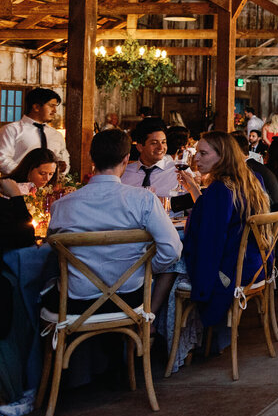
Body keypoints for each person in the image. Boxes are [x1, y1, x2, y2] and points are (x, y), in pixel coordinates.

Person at [45, 129, 182, 316]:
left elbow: (53, 248)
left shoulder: (61, 205)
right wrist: (143, 268)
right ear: (126, 159)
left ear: (90, 157)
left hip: (74, 301)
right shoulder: (144, 200)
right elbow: (172, 250)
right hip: (129, 298)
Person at [182, 131, 270, 326]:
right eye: (196, 152)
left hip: (231, 275)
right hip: (256, 265)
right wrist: (194, 190)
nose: (196, 158)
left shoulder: (219, 189)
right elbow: (217, 215)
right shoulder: (252, 179)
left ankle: (176, 345)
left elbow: (210, 241)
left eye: (203, 153)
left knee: (169, 273)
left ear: (222, 157)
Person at [122, 118, 199, 213]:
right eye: (154, 143)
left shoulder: (178, 171)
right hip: (131, 226)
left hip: (170, 225)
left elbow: (194, 207)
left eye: (163, 142)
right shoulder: (124, 172)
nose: (161, 147)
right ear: (140, 147)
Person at [0, 88, 69, 175]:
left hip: (51, 186)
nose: (55, 111)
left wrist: (61, 170)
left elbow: (64, 158)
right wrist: (26, 175)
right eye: (51, 106)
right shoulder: (11, 130)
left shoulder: (56, 135)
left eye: (55, 106)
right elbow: (2, 158)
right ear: (36, 107)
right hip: (17, 185)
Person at [231, 131, 278, 211]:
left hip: (264, 219)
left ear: (234, 150)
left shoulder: (248, 170)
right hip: (273, 215)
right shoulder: (253, 165)